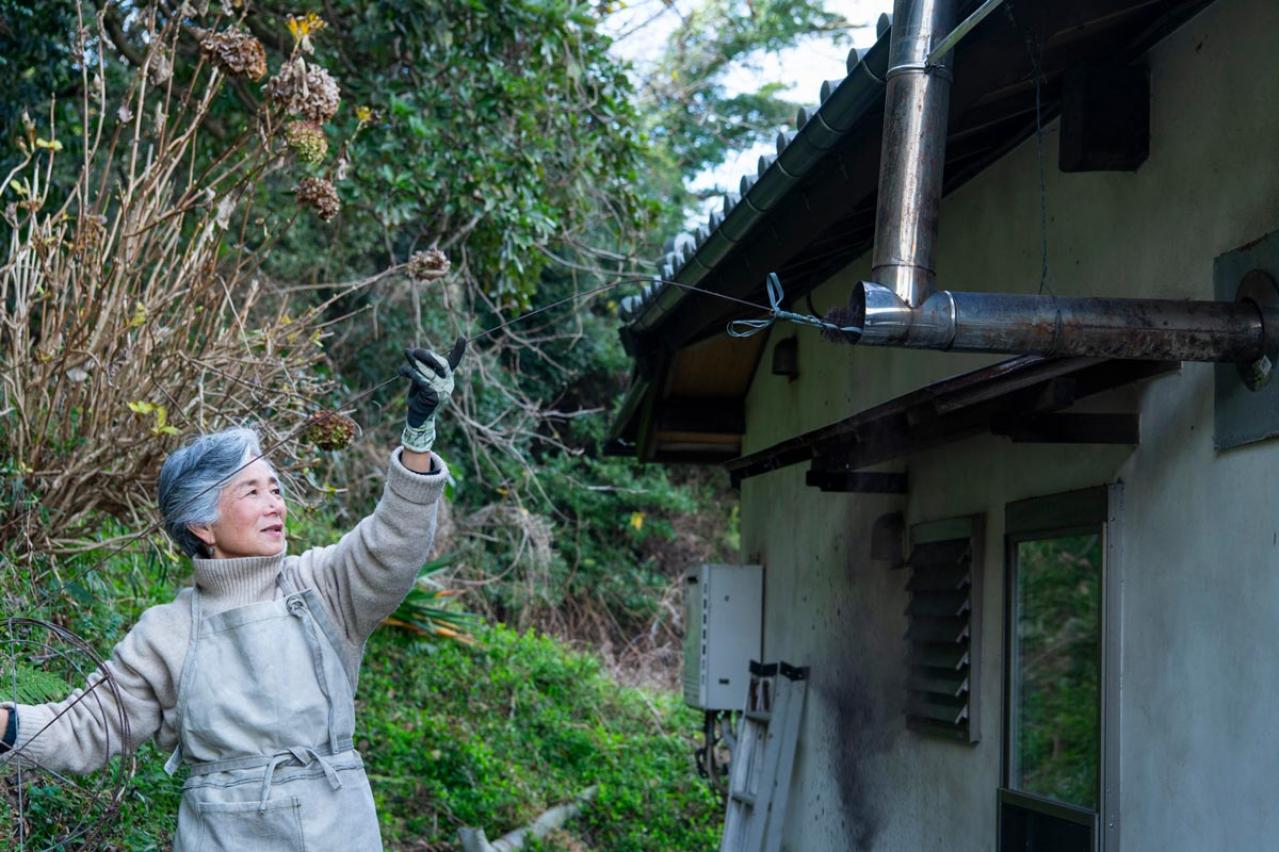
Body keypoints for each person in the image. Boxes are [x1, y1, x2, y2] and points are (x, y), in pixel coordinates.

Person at [0, 339, 466, 850]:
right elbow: (89, 724)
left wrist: (418, 433)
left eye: (276, 489)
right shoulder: (167, 631)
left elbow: (392, 545)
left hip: (338, 826)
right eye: (251, 492)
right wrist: (6, 724)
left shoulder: (321, 585)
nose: (275, 505)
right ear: (201, 524)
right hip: (221, 836)